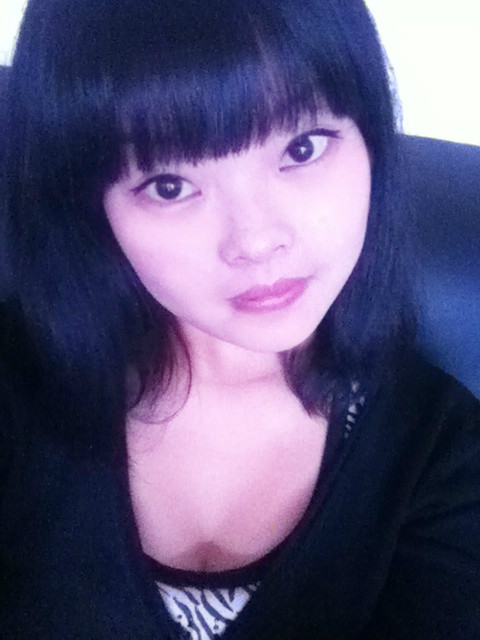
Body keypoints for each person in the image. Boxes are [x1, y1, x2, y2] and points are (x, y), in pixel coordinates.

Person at [0, 0, 479, 638]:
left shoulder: (442, 454)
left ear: (371, 144)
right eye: (169, 185)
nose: (255, 241)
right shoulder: (17, 382)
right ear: (92, 207)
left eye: (302, 148)